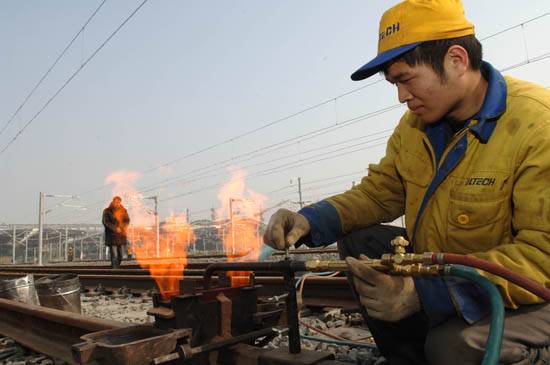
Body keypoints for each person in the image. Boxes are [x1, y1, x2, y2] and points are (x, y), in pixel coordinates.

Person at [263, 1, 550, 364]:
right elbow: (379, 192)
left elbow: (543, 255)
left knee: (455, 346)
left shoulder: (537, 125)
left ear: (456, 60)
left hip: (534, 294)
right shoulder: (415, 128)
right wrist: (310, 220)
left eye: (406, 79)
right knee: (361, 241)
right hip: (456, 280)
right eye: (394, 83)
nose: (401, 96)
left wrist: (421, 294)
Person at [102, 196, 130, 269]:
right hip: (112, 236)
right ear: (113, 202)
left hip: (121, 235)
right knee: (114, 254)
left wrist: (122, 227)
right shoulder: (107, 211)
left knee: (120, 255)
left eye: (119, 202)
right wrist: (114, 228)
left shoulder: (124, 210)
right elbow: (105, 222)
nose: (117, 204)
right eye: (116, 202)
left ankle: (115, 267)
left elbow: (127, 220)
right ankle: (115, 269)